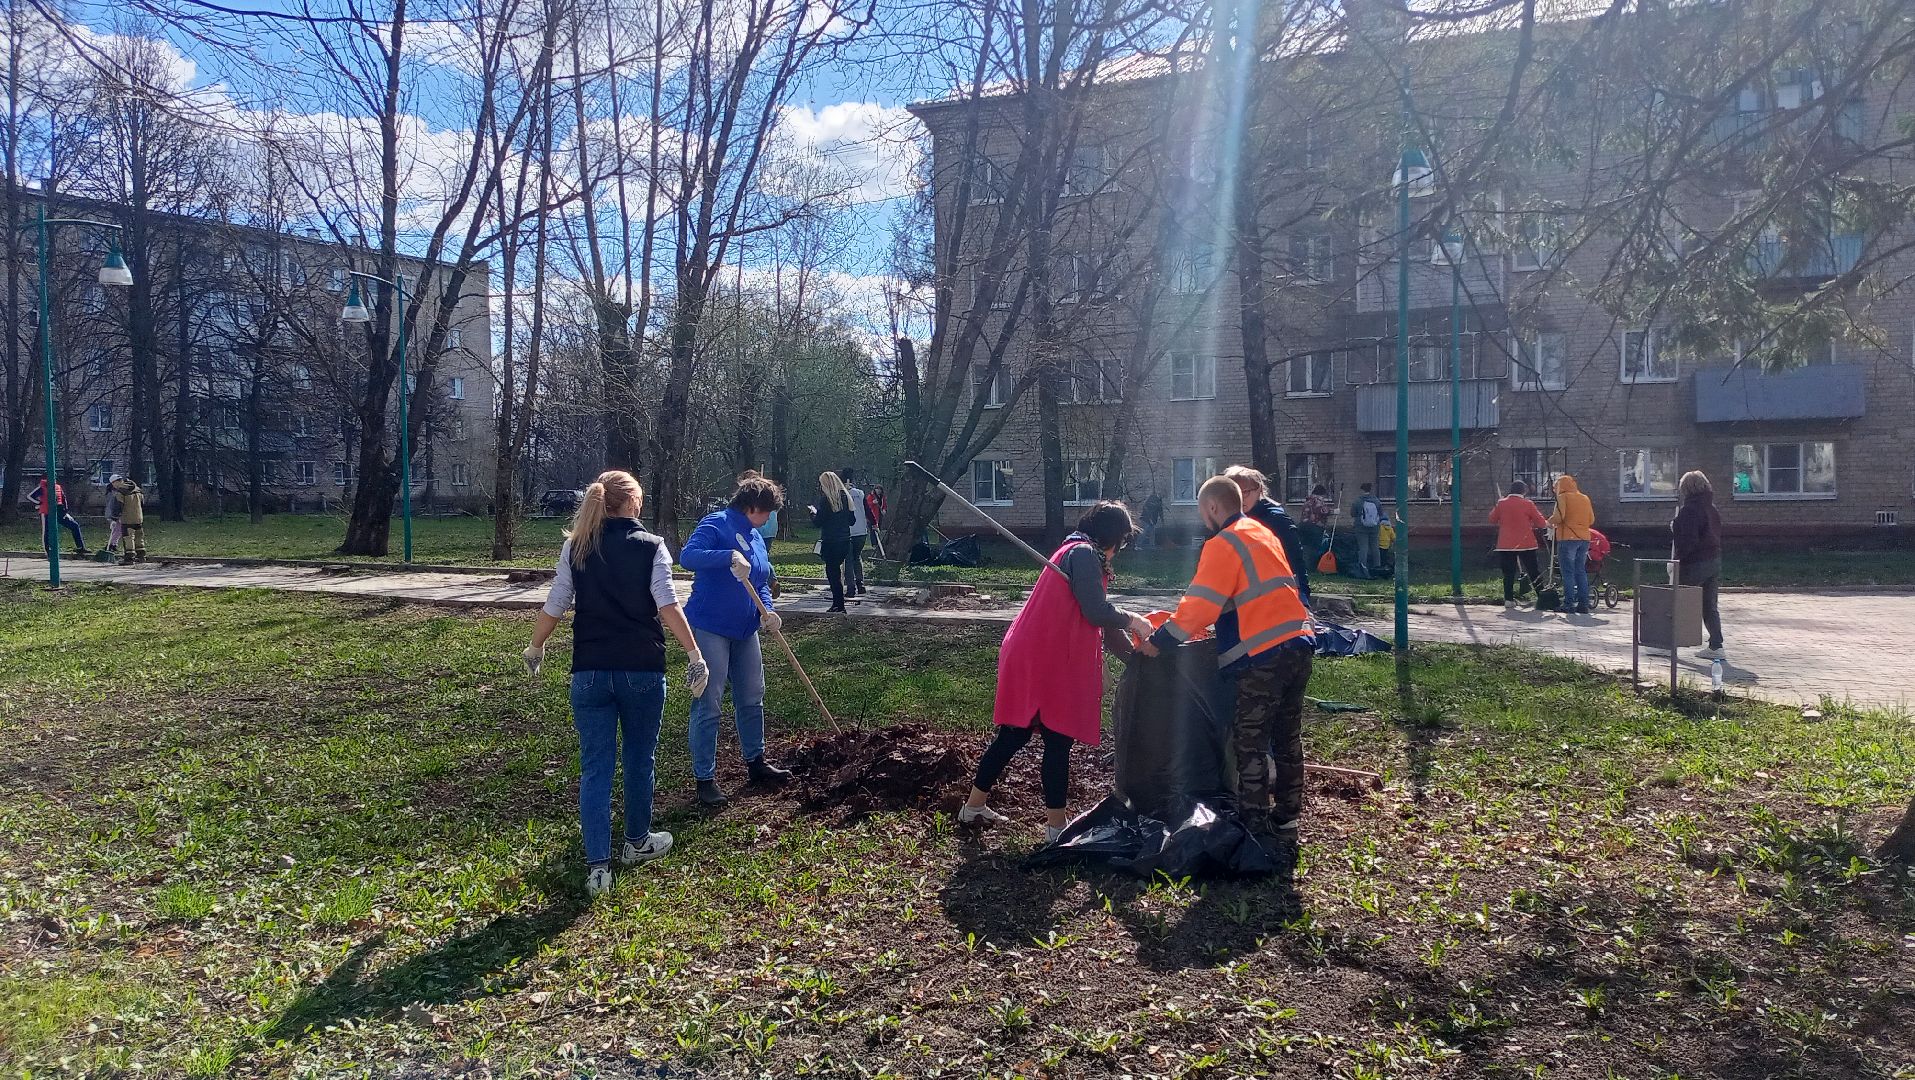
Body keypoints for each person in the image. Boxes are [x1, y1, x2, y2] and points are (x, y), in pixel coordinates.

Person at [523, 470, 709, 899]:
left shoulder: (576, 547)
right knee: (639, 758)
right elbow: (667, 603)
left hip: (588, 672)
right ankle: (637, 842)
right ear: (631, 503)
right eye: (639, 497)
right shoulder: (651, 546)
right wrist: (695, 655)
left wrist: (536, 647)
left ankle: (598, 868)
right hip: (641, 670)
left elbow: (555, 603)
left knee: (595, 769)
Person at [1138, 476, 1316, 871]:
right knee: (1287, 739)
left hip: (1264, 655)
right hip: (1300, 643)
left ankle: (1253, 831)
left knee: (1250, 743)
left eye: (1203, 513)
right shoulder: (1261, 532)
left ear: (1213, 508)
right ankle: (1287, 820)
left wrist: (1161, 641)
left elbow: (1200, 605)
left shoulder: (1223, 543)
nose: (1204, 520)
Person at [961, 502, 1154, 842]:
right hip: (1040, 657)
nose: (1121, 550)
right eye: (1122, 541)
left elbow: (1105, 628)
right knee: (1055, 738)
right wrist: (1134, 619)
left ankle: (973, 808)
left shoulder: (1083, 553)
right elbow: (1097, 612)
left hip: (1041, 654)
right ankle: (1056, 830)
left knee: (1017, 736)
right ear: (1113, 537)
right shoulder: (1081, 554)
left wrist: (1140, 660)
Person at [679, 474, 793, 807]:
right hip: (711, 626)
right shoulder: (716, 524)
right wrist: (726, 556)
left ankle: (756, 762)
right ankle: (705, 779)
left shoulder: (756, 537)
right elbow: (688, 556)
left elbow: (760, 582)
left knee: (752, 695)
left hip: (746, 630)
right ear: (753, 506)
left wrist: (768, 612)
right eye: (768, 512)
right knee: (709, 702)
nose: (769, 518)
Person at [1225, 465, 1312, 609]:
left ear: (1259, 489)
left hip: (1278, 599)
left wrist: (1302, 598)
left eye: (1245, 492)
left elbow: (1295, 560)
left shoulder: (1277, 519)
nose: (1239, 499)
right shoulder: (1232, 519)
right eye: (1234, 494)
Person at [1672, 470, 1726, 660]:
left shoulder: (1689, 510)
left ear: (1686, 488)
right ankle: (1716, 645)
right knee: (1709, 604)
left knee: (1678, 601)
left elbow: (1688, 539)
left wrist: (1678, 558)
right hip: (1714, 560)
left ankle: (1668, 642)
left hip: (1695, 562)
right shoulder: (1712, 508)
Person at [1487, 480, 1549, 610]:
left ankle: (1508, 599)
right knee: (1533, 570)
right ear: (1524, 491)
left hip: (1506, 543)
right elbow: (1540, 522)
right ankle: (1541, 597)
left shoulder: (1501, 503)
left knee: (1508, 573)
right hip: (1526, 542)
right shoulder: (1527, 504)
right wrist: (1547, 524)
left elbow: (1492, 519)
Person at [1549, 474, 1597, 615]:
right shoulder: (1584, 498)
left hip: (1567, 538)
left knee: (1568, 572)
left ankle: (1568, 604)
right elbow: (1591, 519)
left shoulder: (1563, 497)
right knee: (1580, 571)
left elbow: (1559, 517)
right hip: (1584, 538)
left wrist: (1549, 522)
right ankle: (1583, 605)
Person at [811, 471, 855, 613]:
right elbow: (852, 521)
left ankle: (838, 604)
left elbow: (819, 522)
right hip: (844, 540)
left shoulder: (826, 500)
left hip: (831, 541)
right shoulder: (846, 497)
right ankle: (838, 603)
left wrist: (813, 514)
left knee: (832, 573)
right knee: (837, 572)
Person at [34, 478, 87, 556]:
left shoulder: (58, 487)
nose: (54, 479)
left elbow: (63, 499)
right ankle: (48, 551)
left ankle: (80, 547)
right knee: (47, 531)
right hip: (48, 512)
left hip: (60, 511)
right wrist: (39, 503)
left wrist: (65, 512)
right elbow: (31, 496)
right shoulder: (43, 487)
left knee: (74, 526)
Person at [843, 469, 869, 599]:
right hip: (861, 531)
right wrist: (874, 523)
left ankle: (851, 588)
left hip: (848, 532)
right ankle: (861, 584)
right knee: (857, 557)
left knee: (848, 560)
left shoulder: (842, 494)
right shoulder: (860, 494)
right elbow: (867, 509)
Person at [110, 475, 147, 563]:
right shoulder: (137, 489)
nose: (114, 486)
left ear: (117, 481)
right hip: (139, 517)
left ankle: (129, 558)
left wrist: (114, 519)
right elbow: (142, 503)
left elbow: (118, 506)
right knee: (139, 537)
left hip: (127, 518)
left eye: (113, 483)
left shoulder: (121, 492)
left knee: (128, 537)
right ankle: (141, 556)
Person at [1350, 483, 1383, 573]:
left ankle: (1363, 568)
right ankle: (1377, 567)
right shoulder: (1376, 500)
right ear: (1370, 490)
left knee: (1363, 548)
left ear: (1362, 490)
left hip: (1361, 527)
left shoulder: (1357, 501)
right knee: (1375, 547)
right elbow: (1381, 513)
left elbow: (1352, 513)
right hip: (1375, 527)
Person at [104, 474, 126, 556]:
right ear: (113, 483)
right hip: (113, 514)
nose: (121, 482)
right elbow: (112, 506)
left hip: (116, 514)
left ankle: (113, 544)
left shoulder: (116, 492)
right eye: (119, 481)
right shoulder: (113, 494)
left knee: (118, 530)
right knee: (117, 530)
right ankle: (111, 545)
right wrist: (113, 518)